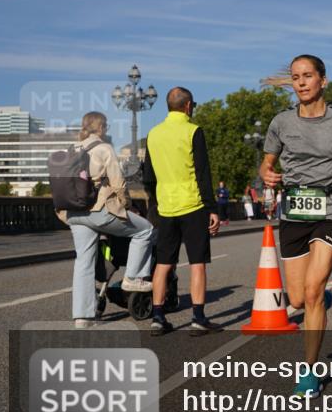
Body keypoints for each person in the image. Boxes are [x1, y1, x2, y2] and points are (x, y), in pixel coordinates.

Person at [260, 54, 332, 397]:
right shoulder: (280, 123)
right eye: (296, 77)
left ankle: (308, 372)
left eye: (308, 76)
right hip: (294, 212)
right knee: (296, 299)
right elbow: (267, 163)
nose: (301, 82)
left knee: (311, 291)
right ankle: (319, 300)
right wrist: (268, 174)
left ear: (323, 80)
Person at [58, 112, 154, 328]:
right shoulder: (104, 148)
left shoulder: (72, 149)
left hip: (75, 214)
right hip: (99, 211)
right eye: (106, 126)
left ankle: (83, 318)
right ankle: (133, 277)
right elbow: (119, 183)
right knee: (145, 230)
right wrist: (128, 206)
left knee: (83, 261)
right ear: (101, 127)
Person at [143, 87, 221, 337]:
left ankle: (157, 317)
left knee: (164, 263)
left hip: (165, 207)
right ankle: (198, 318)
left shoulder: (153, 134)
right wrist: (212, 208)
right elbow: (202, 172)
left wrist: (155, 204)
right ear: (188, 106)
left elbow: (148, 177)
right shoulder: (193, 131)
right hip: (193, 205)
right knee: (197, 263)